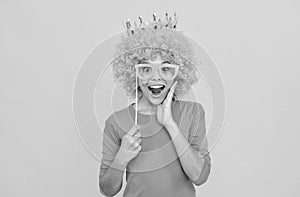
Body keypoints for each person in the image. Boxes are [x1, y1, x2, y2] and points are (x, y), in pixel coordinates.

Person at [99, 13, 211, 197]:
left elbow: (200, 176)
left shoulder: (193, 112)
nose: (156, 77)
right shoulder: (116, 122)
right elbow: (107, 190)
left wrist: (170, 124)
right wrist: (121, 158)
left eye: (165, 68)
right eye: (146, 69)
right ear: (134, 73)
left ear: (178, 73)